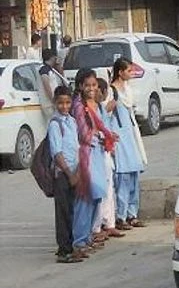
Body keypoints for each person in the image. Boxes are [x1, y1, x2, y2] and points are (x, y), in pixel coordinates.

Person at [71, 70, 117, 256]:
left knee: (97, 196)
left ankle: (88, 236)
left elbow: (103, 126)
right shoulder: (79, 107)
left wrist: (108, 135)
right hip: (86, 154)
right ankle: (79, 241)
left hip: (98, 154)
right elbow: (83, 133)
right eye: (87, 85)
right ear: (81, 86)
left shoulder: (96, 105)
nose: (91, 88)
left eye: (94, 85)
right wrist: (101, 135)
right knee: (85, 198)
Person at [110, 58, 146, 230]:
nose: (131, 74)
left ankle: (133, 214)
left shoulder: (128, 90)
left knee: (134, 176)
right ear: (120, 72)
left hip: (130, 134)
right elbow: (107, 113)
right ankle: (121, 216)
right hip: (119, 136)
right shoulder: (112, 91)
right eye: (128, 71)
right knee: (122, 177)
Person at [48, 85, 84, 263]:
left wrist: (77, 172)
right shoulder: (55, 124)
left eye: (67, 102)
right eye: (60, 103)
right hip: (62, 174)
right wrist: (70, 174)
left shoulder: (71, 121)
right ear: (55, 103)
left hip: (74, 172)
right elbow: (57, 153)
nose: (64, 106)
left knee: (71, 211)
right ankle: (64, 250)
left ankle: (70, 246)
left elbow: (76, 148)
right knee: (63, 213)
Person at [93, 78, 123, 240]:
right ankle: (97, 227)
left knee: (109, 189)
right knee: (100, 190)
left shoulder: (102, 110)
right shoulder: (94, 110)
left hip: (106, 152)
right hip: (97, 152)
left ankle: (110, 223)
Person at [38, 49, 67, 121]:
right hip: (49, 104)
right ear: (52, 57)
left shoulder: (51, 69)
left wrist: (58, 66)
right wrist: (53, 100)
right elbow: (46, 85)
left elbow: (62, 78)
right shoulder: (44, 70)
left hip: (53, 103)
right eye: (55, 58)